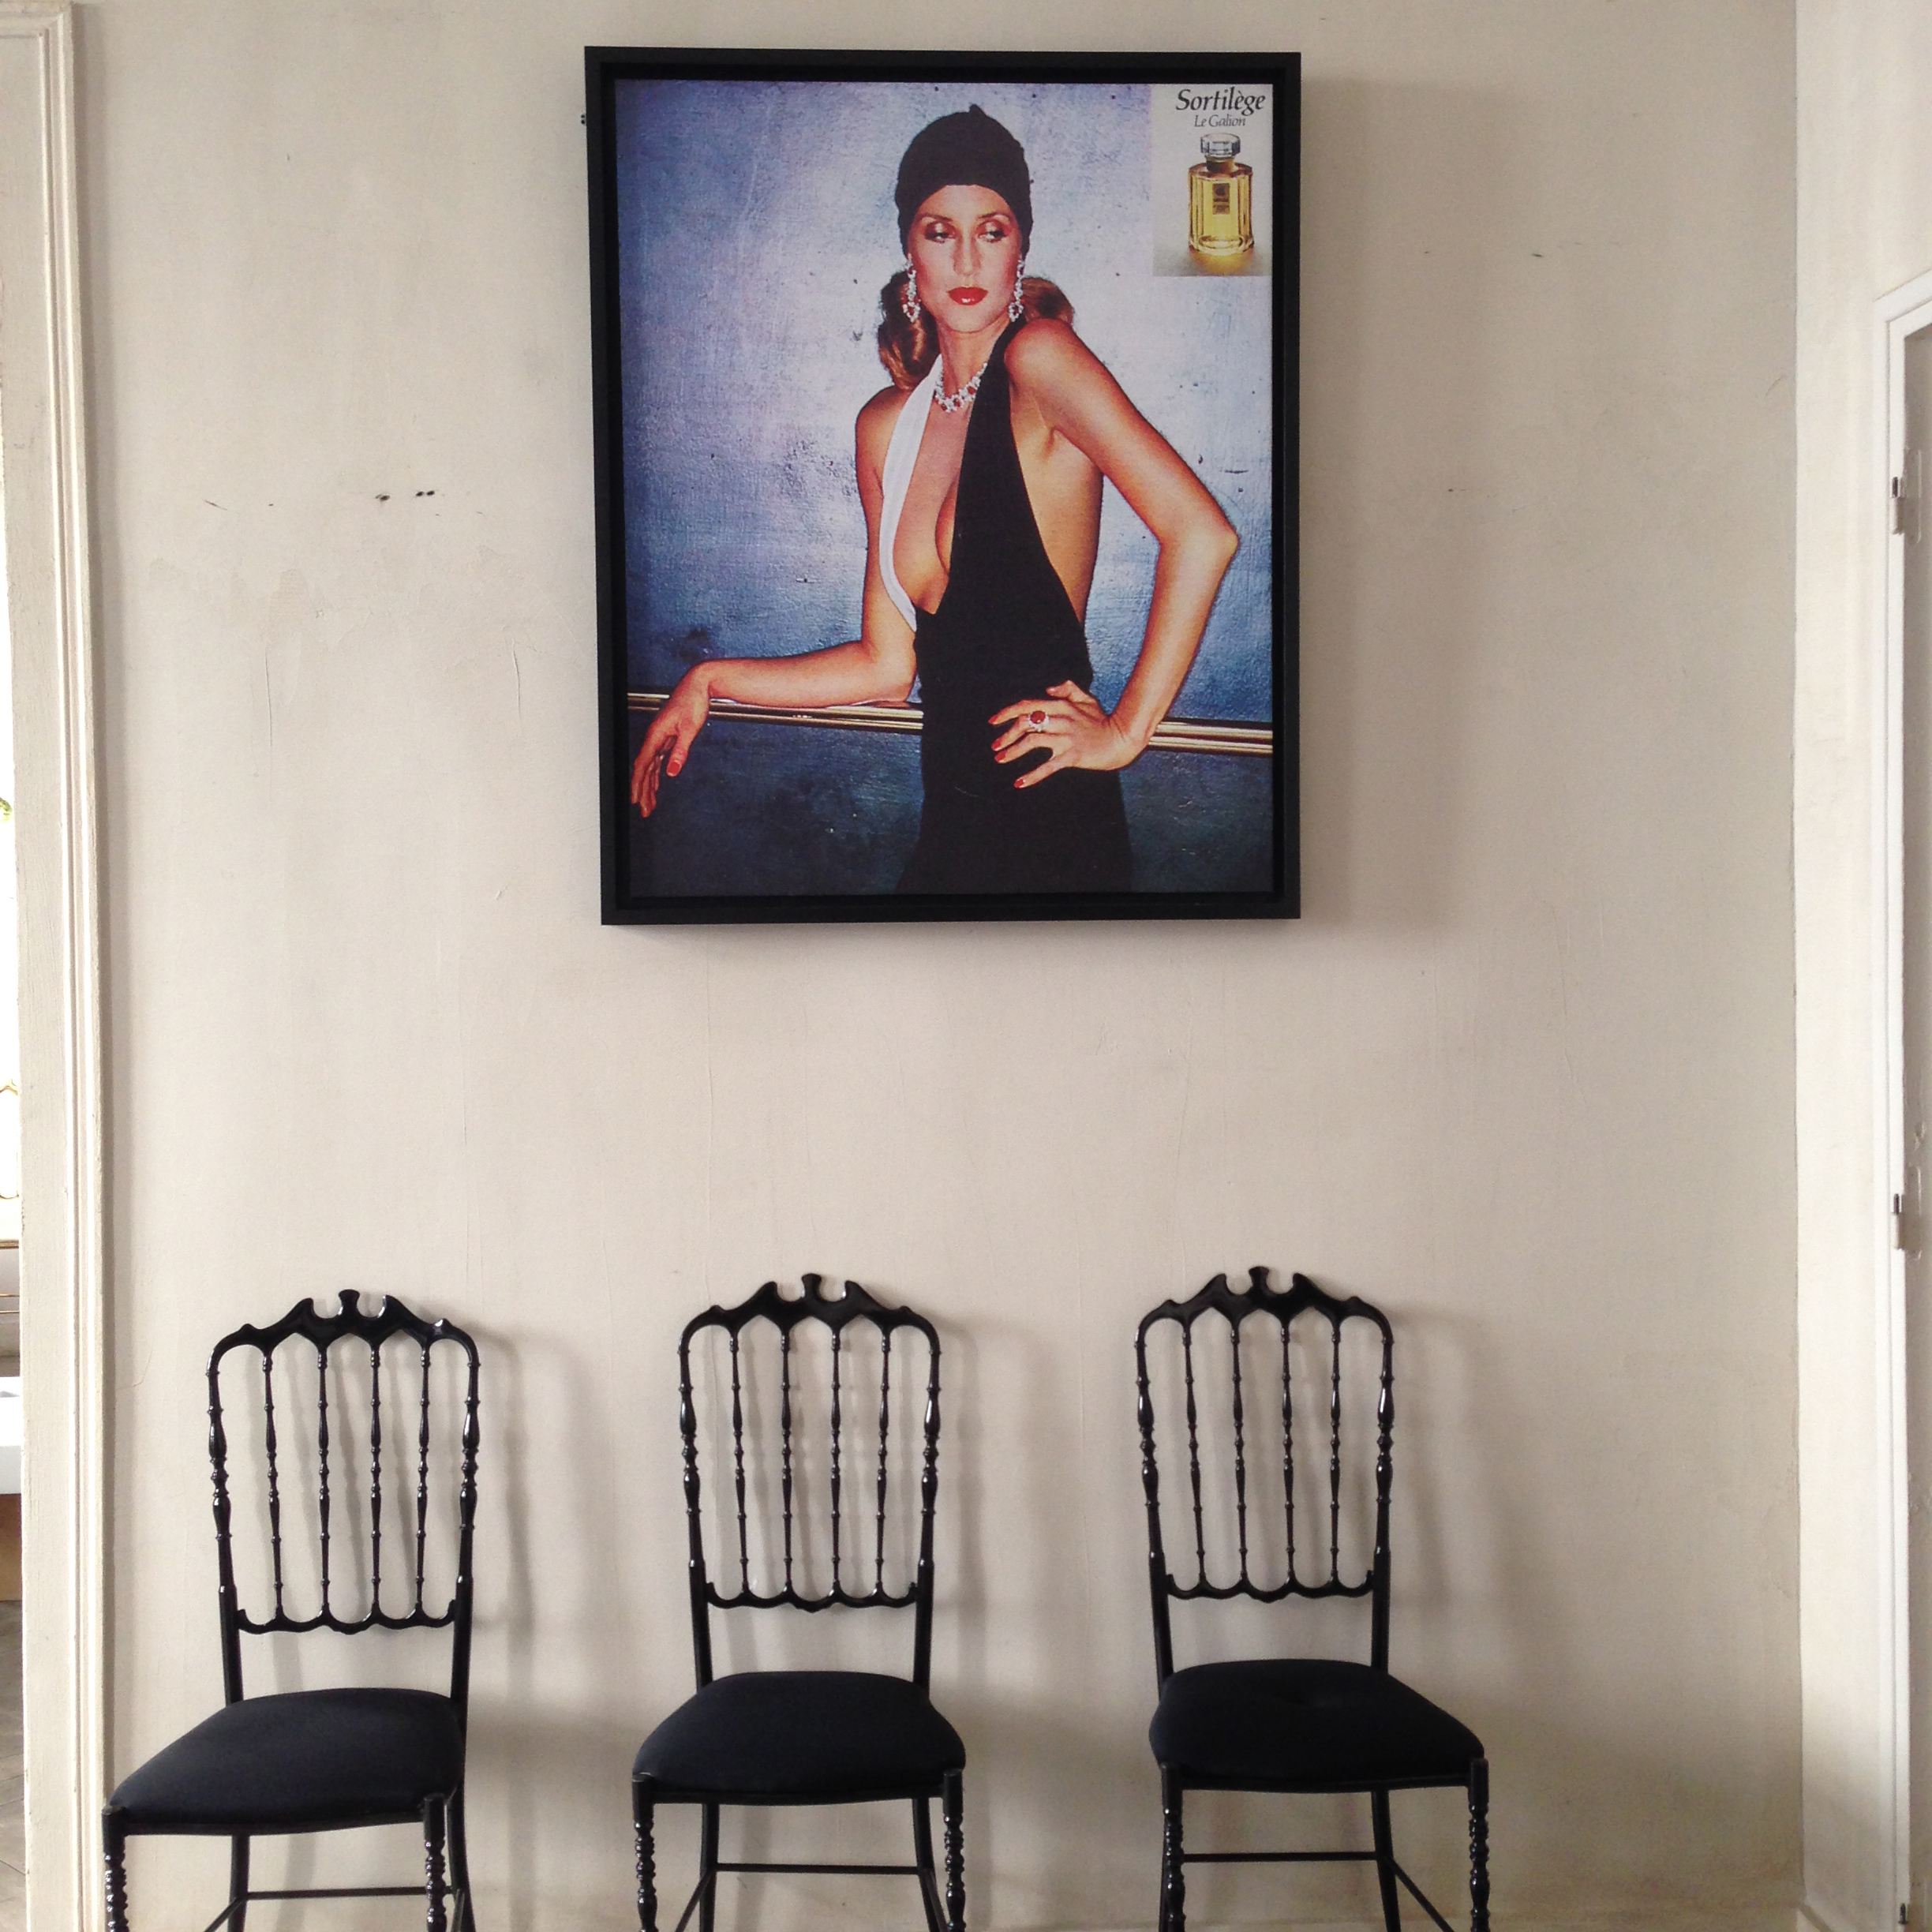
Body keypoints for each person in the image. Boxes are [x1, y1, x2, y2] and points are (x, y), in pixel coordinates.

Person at [631, 105, 1239, 894]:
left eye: (992, 230)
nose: (967, 259)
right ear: (909, 249)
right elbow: (886, 667)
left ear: (1021, 245)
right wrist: (707, 681)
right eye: (939, 231)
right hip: (950, 824)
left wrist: (1125, 732)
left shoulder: (1041, 361)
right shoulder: (888, 427)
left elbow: (1202, 534)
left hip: (1053, 819)